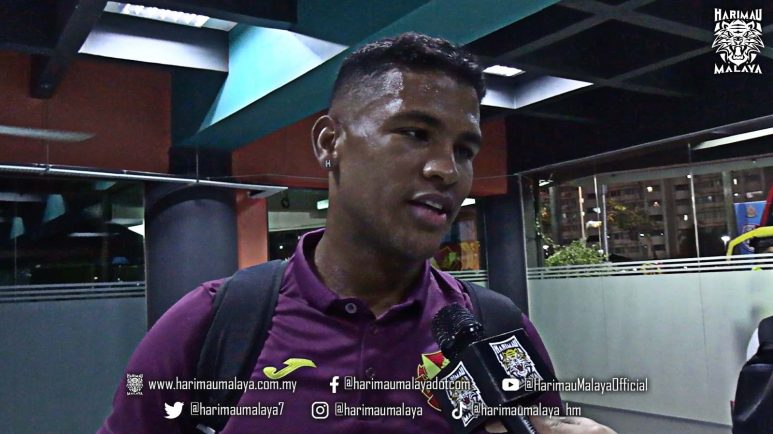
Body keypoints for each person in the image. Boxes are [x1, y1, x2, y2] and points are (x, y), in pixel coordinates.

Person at [99, 32, 615, 434]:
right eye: (414, 133)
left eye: (464, 150)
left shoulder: (498, 329)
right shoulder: (211, 326)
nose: (446, 170)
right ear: (330, 143)